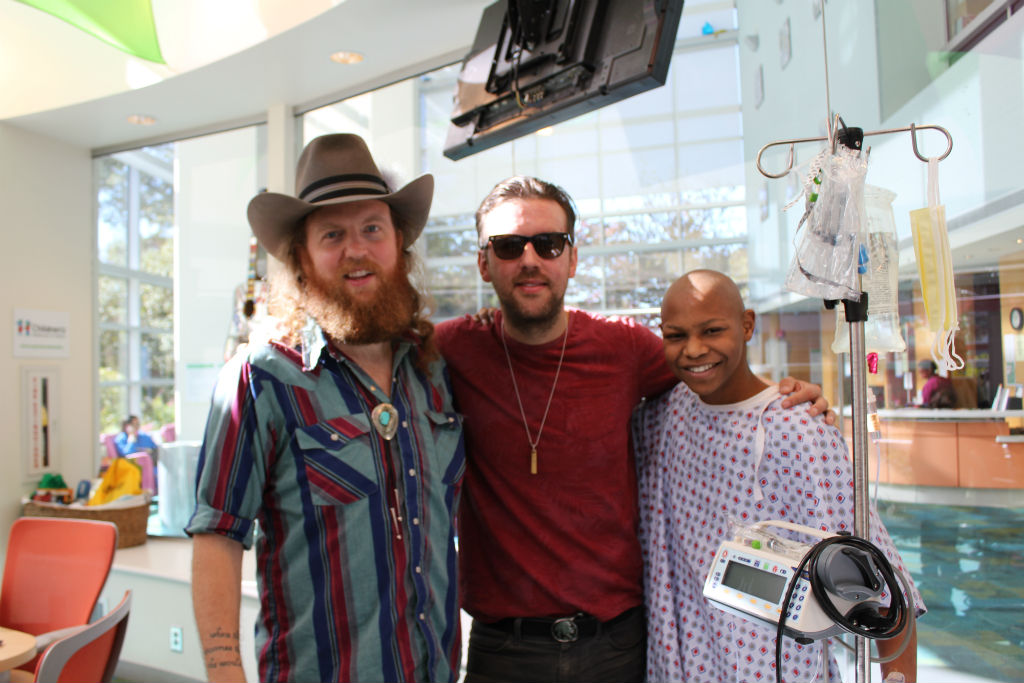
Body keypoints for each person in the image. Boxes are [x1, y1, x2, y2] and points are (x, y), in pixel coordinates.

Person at [434, 176, 831, 683]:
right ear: (484, 262)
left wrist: (783, 398)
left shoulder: (623, 350)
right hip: (503, 650)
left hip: (616, 647)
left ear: (571, 259)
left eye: (548, 244)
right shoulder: (451, 350)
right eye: (509, 246)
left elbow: (710, 373)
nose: (530, 259)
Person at [186, 134, 465, 683]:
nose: (356, 250)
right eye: (332, 234)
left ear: (399, 244)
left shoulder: (433, 374)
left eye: (371, 229)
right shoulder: (261, 379)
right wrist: (224, 673)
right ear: (302, 258)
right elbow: (218, 535)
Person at [633, 270, 925, 683]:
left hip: (773, 668)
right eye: (675, 335)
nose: (694, 350)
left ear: (747, 325)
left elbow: (885, 589)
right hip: (682, 665)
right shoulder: (664, 417)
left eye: (712, 330)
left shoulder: (798, 431)